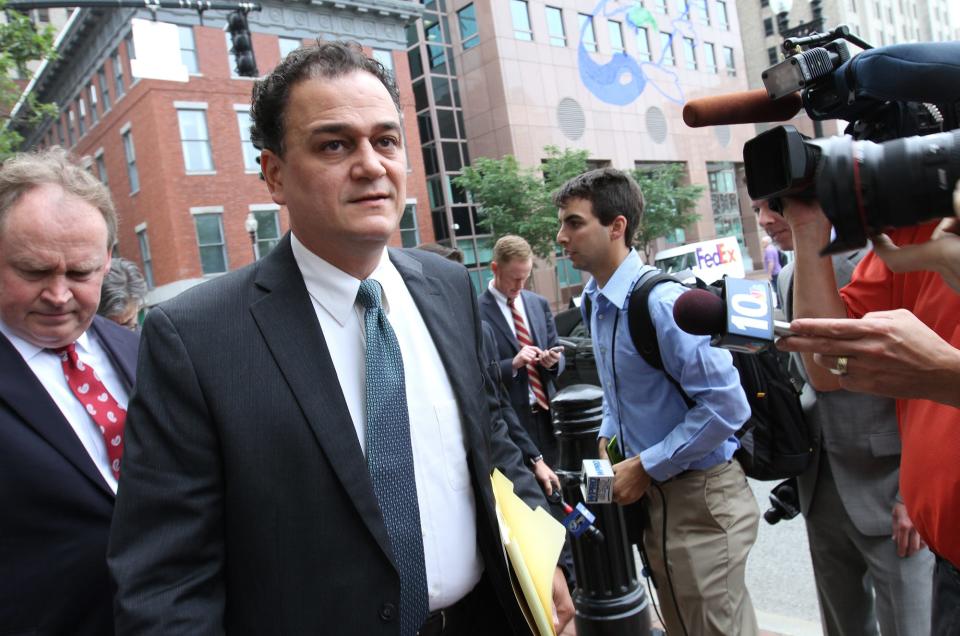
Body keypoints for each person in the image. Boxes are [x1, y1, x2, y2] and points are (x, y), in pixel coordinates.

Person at [107, 41, 573, 636]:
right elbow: (166, 581)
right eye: (334, 144)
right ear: (274, 175)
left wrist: (537, 553)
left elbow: (491, 438)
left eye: (385, 140)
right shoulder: (196, 338)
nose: (372, 165)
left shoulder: (450, 287)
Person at [555, 167, 759, 636]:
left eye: (574, 222)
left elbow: (729, 406)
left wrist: (645, 465)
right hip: (656, 502)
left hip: (701, 498)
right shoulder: (596, 302)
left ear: (616, 226)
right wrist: (609, 451)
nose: (561, 236)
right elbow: (619, 397)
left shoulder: (661, 302)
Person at [777, 196, 960, 634]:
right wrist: (807, 226)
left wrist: (945, 374)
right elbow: (827, 368)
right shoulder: (917, 230)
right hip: (951, 563)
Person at [0, 147, 138, 636]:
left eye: (80, 273)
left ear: (106, 262)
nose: (59, 295)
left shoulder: (149, 353)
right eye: (34, 271)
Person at [479, 235, 565, 472]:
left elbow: (557, 351)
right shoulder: (476, 312)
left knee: (557, 487)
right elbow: (478, 374)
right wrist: (513, 364)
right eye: (514, 279)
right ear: (495, 268)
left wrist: (552, 362)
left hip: (548, 417)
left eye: (525, 278)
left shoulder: (538, 303)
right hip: (511, 423)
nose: (520, 286)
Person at [97, 257, 147, 330]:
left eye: (127, 324)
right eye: (112, 326)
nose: (121, 333)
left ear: (138, 307)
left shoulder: (146, 339)